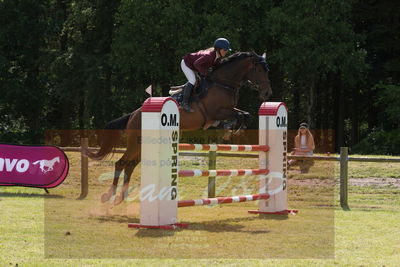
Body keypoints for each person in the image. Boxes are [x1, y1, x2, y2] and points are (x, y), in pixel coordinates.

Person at [180, 38, 231, 112]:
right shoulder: (209, 56)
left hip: (195, 65)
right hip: (186, 63)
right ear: (218, 49)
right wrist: (205, 73)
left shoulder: (217, 57)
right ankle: (184, 103)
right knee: (193, 80)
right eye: (225, 50)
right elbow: (196, 64)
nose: (226, 52)